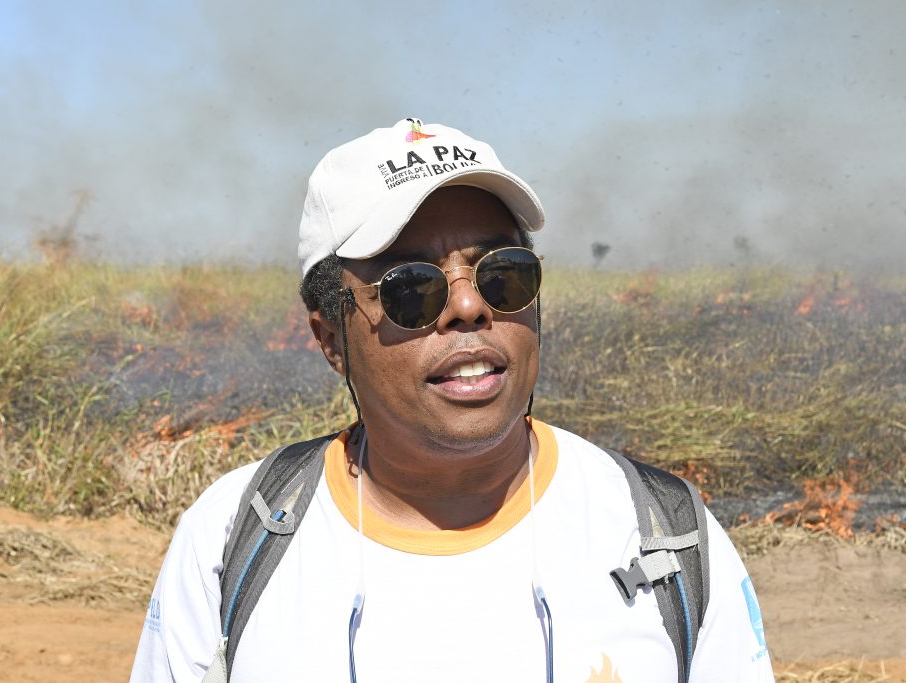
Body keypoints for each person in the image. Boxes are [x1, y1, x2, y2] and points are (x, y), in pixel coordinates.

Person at [129, 118, 775, 682]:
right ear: (331, 338)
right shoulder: (236, 534)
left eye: (503, 273)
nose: (470, 306)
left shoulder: (663, 531)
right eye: (411, 288)